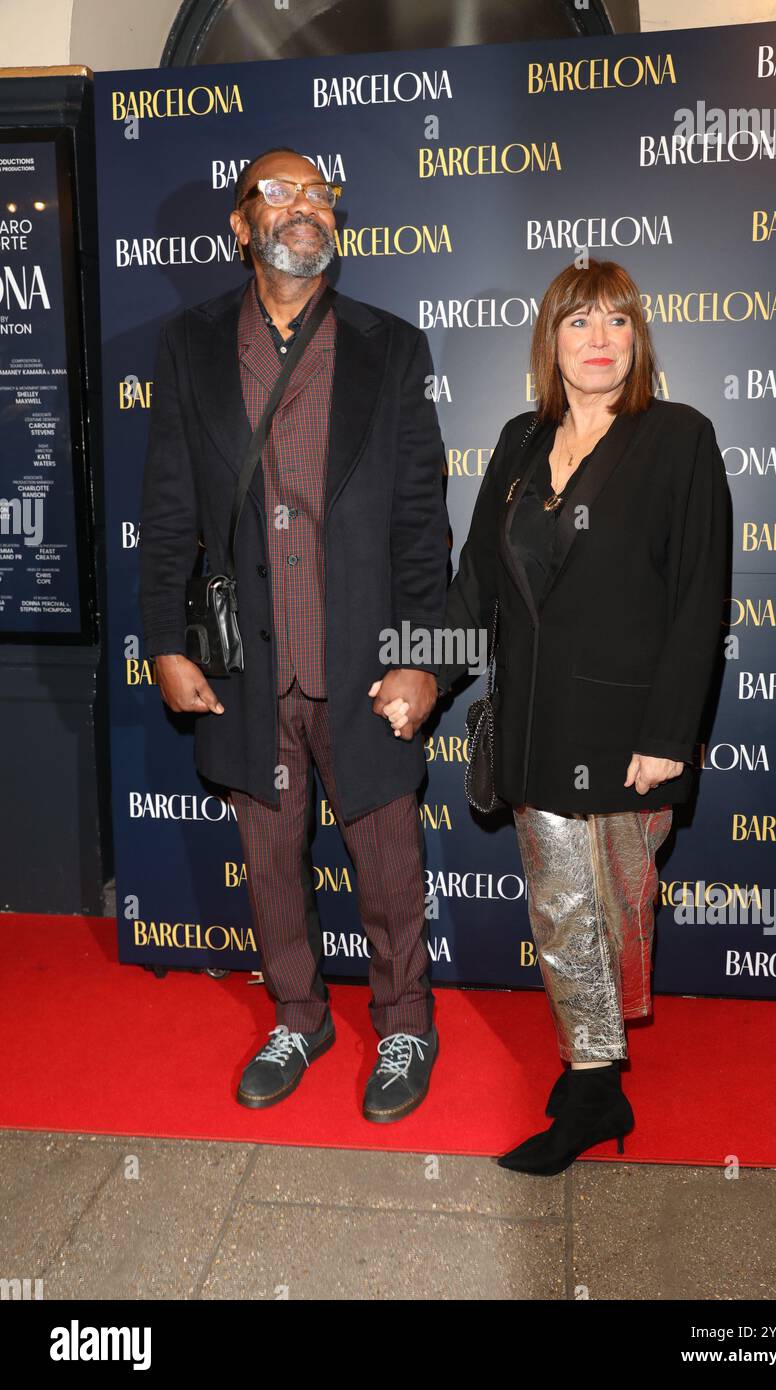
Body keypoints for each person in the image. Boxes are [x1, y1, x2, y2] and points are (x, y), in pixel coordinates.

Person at [381, 258, 731, 1171]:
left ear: (639, 338)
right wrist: (426, 670)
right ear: (551, 340)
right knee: (560, 907)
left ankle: (593, 1071)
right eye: (579, 323)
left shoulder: (679, 438)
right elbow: (477, 592)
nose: (600, 341)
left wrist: (667, 737)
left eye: (618, 322)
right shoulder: (517, 439)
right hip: (536, 726)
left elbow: (700, 599)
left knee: (610, 912)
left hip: (626, 740)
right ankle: (593, 1085)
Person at [139, 146, 449, 1123]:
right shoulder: (188, 348)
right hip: (246, 663)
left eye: (318, 193)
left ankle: (403, 1023)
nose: (302, 206)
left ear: (335, 223)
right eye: (278, 192)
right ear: (241, 226)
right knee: (270, 863)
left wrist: (423, 659)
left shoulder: (388, 348)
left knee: (388, 861)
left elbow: (419, 523)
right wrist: (165, 640)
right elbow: (167, 509)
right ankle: (299, 1013)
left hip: (361, 662)